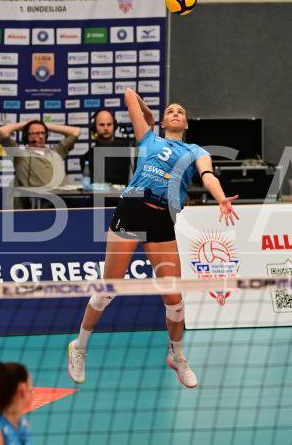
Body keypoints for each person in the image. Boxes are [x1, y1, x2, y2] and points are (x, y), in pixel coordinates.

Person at [66, 88, 239, 389]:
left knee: (175, 299)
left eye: (181, 112)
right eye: (171, 111)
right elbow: (128, 94)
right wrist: (147, 116)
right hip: (133, 209)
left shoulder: (196, 151)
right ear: (162, 121)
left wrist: (221, 197)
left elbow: (208, 175)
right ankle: (78, 346)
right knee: (109, 289)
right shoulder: (148, 138)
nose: (176, 113)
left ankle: (177, 355)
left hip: (162, 218)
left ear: (186, 123)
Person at [0, 120, 81, 209]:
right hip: (44, 203)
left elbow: (76, 131)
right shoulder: (19, 155)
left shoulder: (56, 152)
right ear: (27, 136)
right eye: (36, 133)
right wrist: (26, 124)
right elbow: (3, 131)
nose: (41, 136)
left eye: (43, 133)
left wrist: (44, 125)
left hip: (68, 200)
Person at [80, 109, 133, 185]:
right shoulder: (87, 158)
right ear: (94, 127)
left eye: (109, 124)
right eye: (102, 125)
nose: (106, 128)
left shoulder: (129, 147)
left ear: (114, 126)